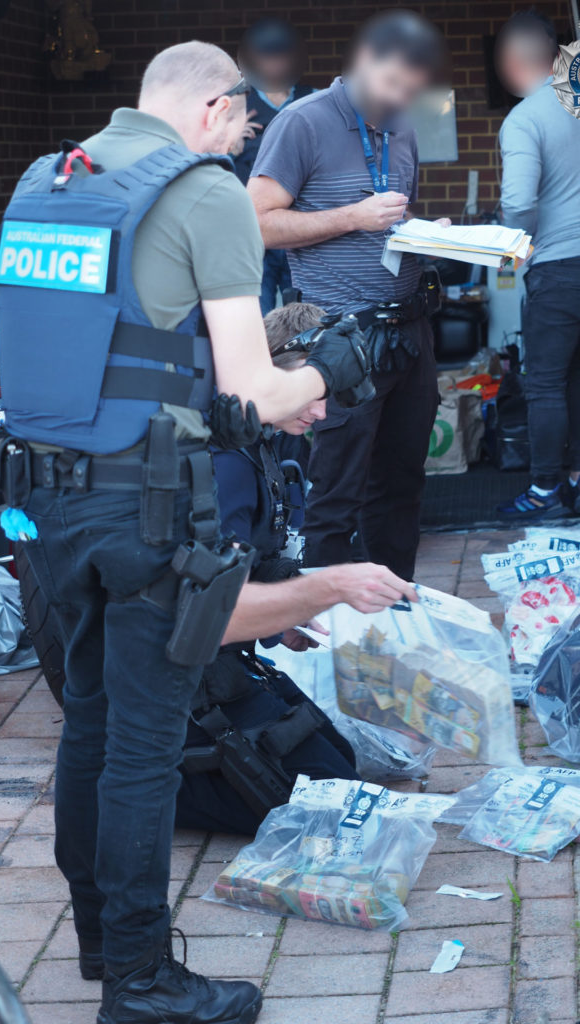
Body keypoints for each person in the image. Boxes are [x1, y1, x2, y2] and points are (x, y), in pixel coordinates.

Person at [0, 41, 373, 1024]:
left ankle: (97, 942)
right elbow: (252, 382)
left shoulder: (50, 180)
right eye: (245, 128)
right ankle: (144, 983)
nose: (244, 150)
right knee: (144, 748)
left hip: (42, 508)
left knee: (90, 720)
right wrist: (334, 374)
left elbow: (120, 344)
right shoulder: (203, 194)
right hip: (142, 508)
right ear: (213, 108)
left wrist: (248, 403)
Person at [177, 302, 417, 836]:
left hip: (221, 660)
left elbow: (243, 570)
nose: (322, 413)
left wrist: (282, 608)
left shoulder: (254, 443)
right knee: (319, 803)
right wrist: (321, 590)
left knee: (338, 768)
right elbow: (205, 611)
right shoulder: (222, 465)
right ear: (268, 376)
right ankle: (142, 777)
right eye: (313, 393)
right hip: (183, 679)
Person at [248, 10, 449, 581]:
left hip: (410, 330)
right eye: (391, 86)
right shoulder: (302, 123)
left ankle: (390, 622)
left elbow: (393, 225)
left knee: (402, 490)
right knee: (334, 497)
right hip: (341, 338)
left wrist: (439, 238)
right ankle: (329, 638)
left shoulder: (402, 125)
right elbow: (256, 223)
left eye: (411, 91)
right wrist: (352, 217)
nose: (399, 100)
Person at [495, 11, 580, 521]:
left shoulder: (524, 118)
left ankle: (544, 493)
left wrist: (511, 236)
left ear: (514, 62)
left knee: (543, 381)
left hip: (559, 264)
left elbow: (519, 202)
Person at [231, 18, 314, 313]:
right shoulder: (237, 104)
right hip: (252, 237)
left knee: (304, 320)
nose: (275, 65)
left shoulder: (314, 101)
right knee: (258, 317)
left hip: (300, 232)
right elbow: (210, 165)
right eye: (268, 57)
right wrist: (230, 146)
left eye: (282, 57)